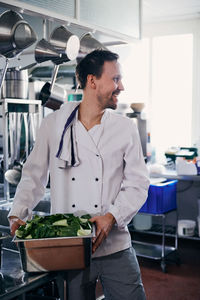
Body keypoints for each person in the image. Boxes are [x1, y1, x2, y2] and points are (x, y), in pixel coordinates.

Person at [8, 49, 150, 300]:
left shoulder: (125, 128)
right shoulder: (54, 125)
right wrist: (18, 212)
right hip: (68, 247)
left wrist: (112, 216)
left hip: (115, 245)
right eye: (116, 79)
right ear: (92, 81)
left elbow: (138, 184)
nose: (122, 86)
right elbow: (33, 175)